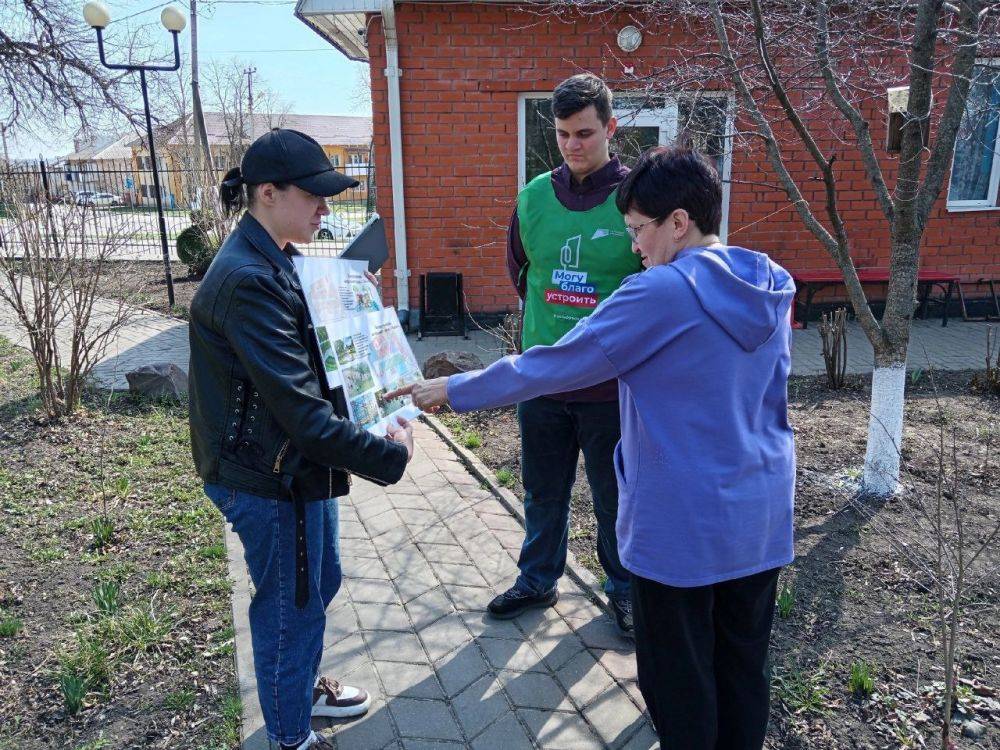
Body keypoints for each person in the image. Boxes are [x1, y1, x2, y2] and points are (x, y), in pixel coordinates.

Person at [389, 146, 796, 749]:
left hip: (681, 527)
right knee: (742, 672)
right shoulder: (770, 281)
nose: (634, 246)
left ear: (678, 223)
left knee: (679, 686)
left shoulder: (659, 294)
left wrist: (455, 387)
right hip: (759, 515)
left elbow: (555, 365)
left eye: (638, 230)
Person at [188, 128, 413, 750]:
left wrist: (352, 300)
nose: (325, 207)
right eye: (314, 195)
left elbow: (309, 349)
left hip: (291, 466)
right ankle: (290, 735)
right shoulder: (247, 280)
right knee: (291, 609)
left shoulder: (276, 257)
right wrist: (390, 453)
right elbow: (304, 416)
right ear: (267, 193)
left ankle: (301, 685)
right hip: (266, 477)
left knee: (320, 582)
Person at [499, 72, 642, 633]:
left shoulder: (637, 198)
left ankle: (625, 589)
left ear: (610, 127)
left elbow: (657, 277)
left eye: (583, 133)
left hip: (612, 386)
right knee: (543, 491)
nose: (572, 145)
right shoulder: (533, 197)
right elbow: (521, 272)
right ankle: (537, 579)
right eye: (562, 134)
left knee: (615, 497)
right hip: (543, 382)